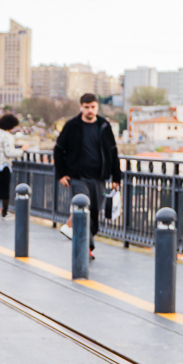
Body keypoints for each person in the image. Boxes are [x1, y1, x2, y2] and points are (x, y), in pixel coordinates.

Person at [54, 92, 121, 258]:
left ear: (97, 107)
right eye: (86, 107)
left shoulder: (104, 125)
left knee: (94, 212)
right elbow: (58, 149)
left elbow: (113, 152)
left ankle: (87, 242)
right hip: (77, 177)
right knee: (83, 208)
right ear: (81, 107)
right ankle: (86, 247)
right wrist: (61, 174)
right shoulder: (72, 125)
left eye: (93, 107)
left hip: (99, 177)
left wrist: (116, 177)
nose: (90, 110)